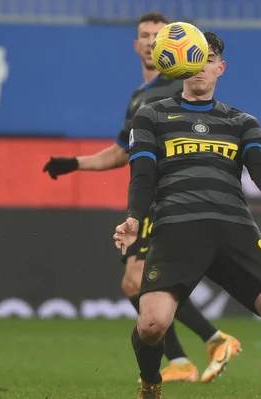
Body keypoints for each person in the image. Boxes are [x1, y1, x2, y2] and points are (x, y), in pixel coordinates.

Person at [42, 12, 240, 384]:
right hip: (150, 201)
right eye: (145, 36)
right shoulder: (140, 97)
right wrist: (73, 163)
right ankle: (187, 356)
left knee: (140, 281)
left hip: (169, 199)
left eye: (158, 36)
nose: (151, 41)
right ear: (137, 45)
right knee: (137, 283)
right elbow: (122, 152)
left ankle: (209, 342)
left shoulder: (178, 86)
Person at [113, 31, 261, 399]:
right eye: (195, 57)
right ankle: (151, 383)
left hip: (234, 227)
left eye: (209, 57)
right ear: (179, 64)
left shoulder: (242, 121)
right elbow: (143, 175)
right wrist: (134, 217)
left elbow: (259, 166)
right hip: (177, 228)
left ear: (221, 67)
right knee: (151, 326)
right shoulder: (152, 115)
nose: (201, 65)